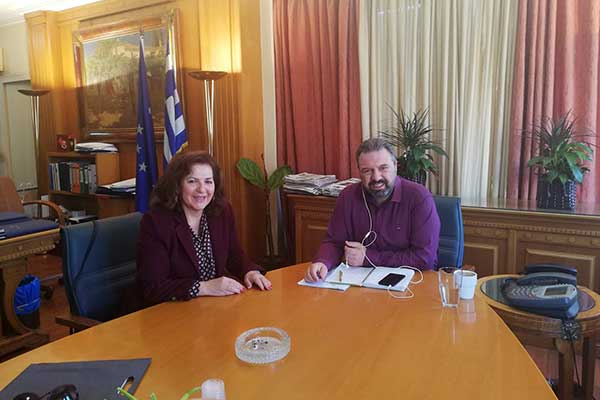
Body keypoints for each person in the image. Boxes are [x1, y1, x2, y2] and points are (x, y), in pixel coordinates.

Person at [137, 151, 271, 306]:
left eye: (208, 181)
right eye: (192, 181)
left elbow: (234, 255)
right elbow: (153, 286)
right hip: (169, 309)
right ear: (177, 185)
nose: (202, 189)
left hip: (210, 305)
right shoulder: (156, 222)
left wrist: (250, 271)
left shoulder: (222, 211)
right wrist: (205, 287)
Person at [304, 138, 440, 282]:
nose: (376, 177)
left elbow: (425, 258)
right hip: (358, 283)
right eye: (367, 171)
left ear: (395, 165)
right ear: (359, 172)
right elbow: (334, 242)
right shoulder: (348, 196)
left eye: (383, 168)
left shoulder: (418, 197)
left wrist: (368, 257)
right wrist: (323, 261)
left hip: (410, 283)